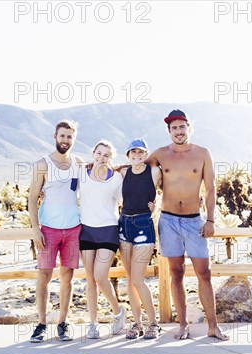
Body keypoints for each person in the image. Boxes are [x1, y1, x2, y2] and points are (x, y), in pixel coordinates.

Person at [146, 109, 229, 341]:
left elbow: (211, 188)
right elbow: (137, 168)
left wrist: (210, 219)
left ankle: (213, 326)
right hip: (169, 220)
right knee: (176, 273)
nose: (178, 131)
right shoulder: (161, 154)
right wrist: (104, 167)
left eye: (182, 127)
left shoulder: (202, 153)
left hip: (195, 221)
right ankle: (182, 325)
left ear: (188, 128)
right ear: (169, 131)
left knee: (204, 273)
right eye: (174, 128)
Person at [28, 120, 83, 343]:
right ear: (55, 136)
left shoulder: (79, 163)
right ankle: (41, 323)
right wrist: (35, 229)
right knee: (44, 276)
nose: (65, 140)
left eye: (69, 137)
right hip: (48, 229)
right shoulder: (42, 164)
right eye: (62, 136)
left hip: (73, 229)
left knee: (67, 278)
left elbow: (97, 179)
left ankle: (63, 322)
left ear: (74, 139)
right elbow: (32, 198)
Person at [78, 140, 126, 339]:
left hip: (108, 230)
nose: (101, 158)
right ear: (93, 153)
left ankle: (118, 312)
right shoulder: (82, 174)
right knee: (90, 280)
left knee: (100, 276)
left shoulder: (116, 178)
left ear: (111, 158)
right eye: (99, 153)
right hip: (86, 231)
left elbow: (126, 201)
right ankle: (92, 324)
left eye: (106, 155)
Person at [118, 139, 163, 340]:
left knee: (138, 279)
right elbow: (102, 171)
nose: (137, 155)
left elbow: (168, 188)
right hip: (124, 225)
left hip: (144, 225)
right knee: (130, 281)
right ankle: (137, 324)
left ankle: (153, 323)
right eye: (133, 152)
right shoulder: (123, 172)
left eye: (141, 152)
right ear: (128, 155)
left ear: (146, 155)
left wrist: (158, 205)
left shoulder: (153, 172)